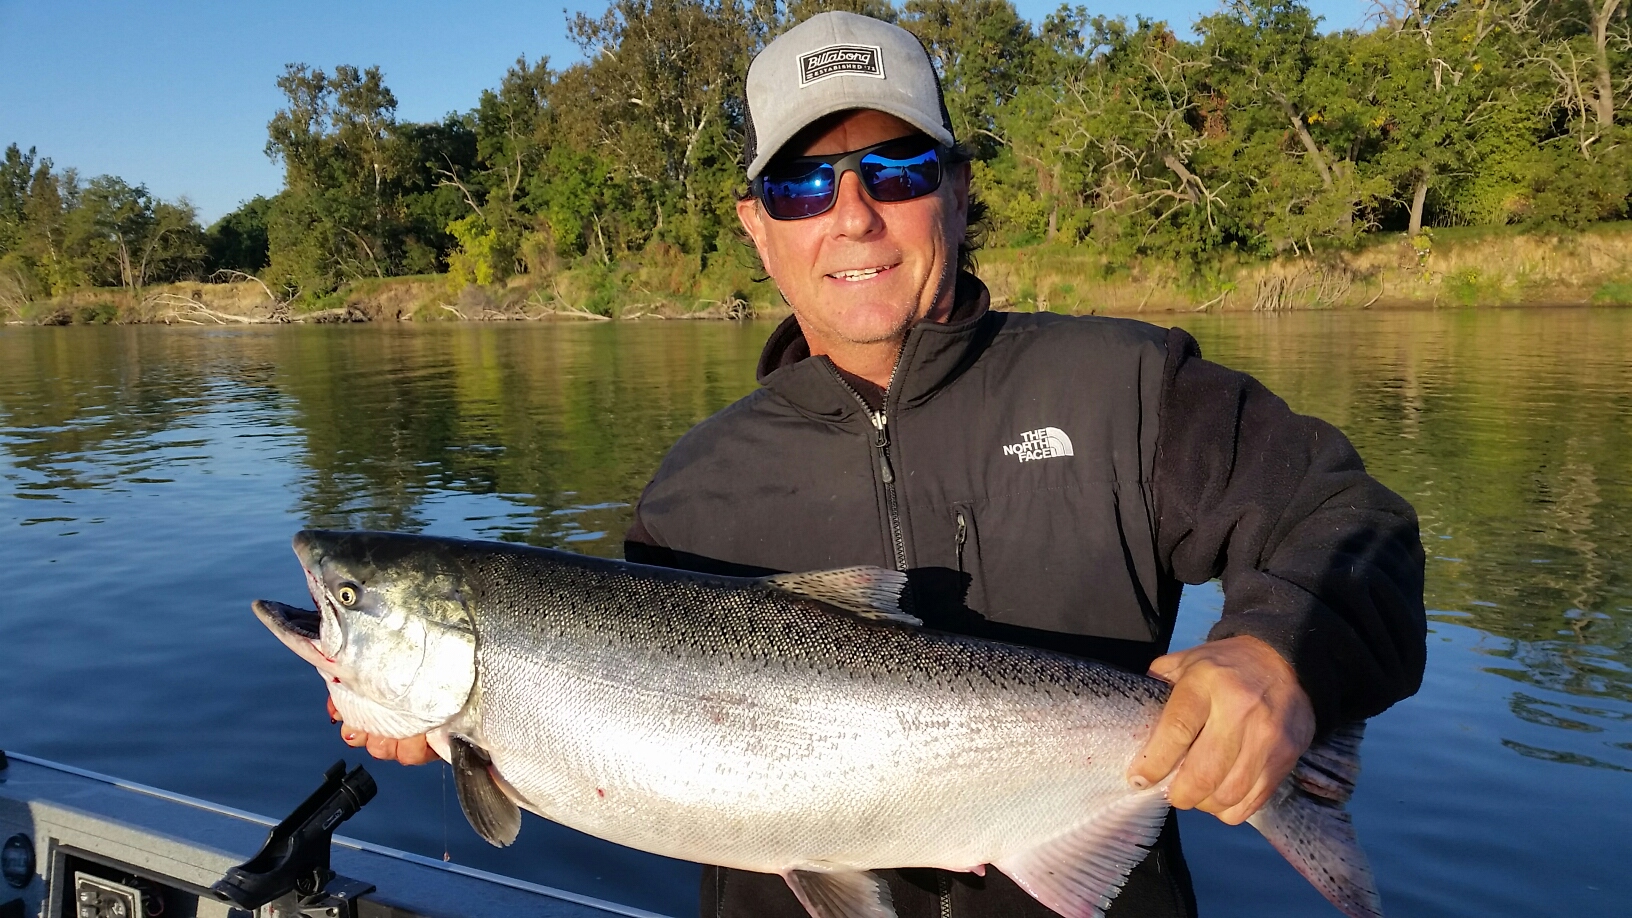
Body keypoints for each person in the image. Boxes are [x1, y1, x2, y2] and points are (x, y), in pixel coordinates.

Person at [336, 11, 1427, 918]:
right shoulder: (693, 490)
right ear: (757, 226)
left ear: (955, 188)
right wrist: (463, 722)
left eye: (894, 168)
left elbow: (1345, 520)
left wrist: (1280, 656)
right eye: (805, 186)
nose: (852, 215)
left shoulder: (1129, 387)